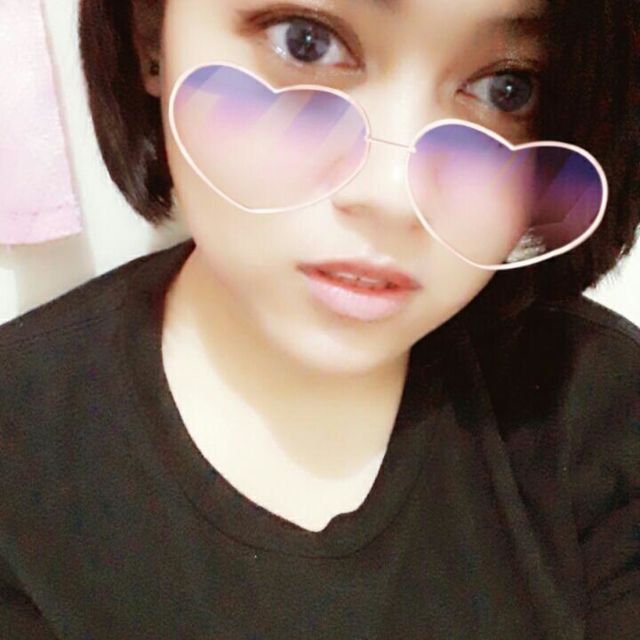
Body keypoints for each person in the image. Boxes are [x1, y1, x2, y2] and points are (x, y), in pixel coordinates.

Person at [0, 0, 638, 637]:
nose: (394, 195)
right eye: (306, 43)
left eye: (506, 90)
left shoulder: (598, 411)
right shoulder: (20, 449)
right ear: (150, 37)